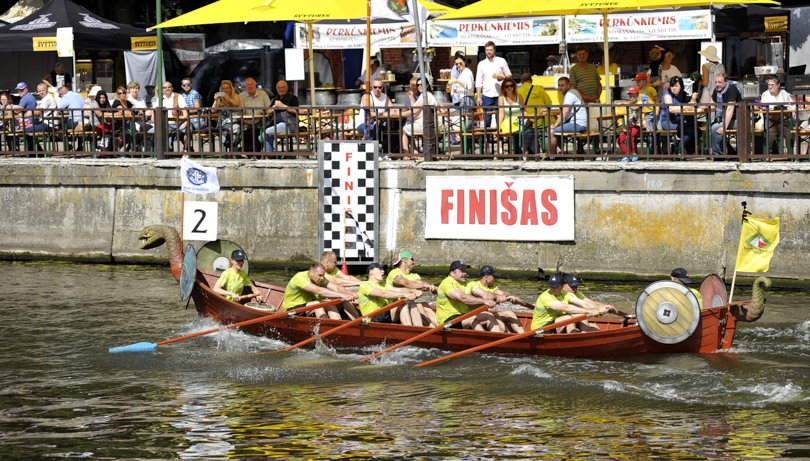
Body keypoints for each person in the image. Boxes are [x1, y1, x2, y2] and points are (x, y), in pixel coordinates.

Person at [531, 273, 609, 334]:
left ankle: (583, 335)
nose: (552, 289)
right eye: (551, 286)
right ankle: (575, 338)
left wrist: (601, 308)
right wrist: (590, 311)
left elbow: (584, 304)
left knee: (583, 317)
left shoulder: (566, 294)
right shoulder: (545, 297)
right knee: (568, 318)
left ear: (562, 286)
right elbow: (566, 308)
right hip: (540, 330)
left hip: (555, 326)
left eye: (555, 286)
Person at [436, 260, 502, 331]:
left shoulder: (469, 283)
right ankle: (483, 337)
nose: (464, 273)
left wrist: (498, 297)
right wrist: (484, 301)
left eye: (465, 271)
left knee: (489, 316)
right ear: (452, 273)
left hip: (464, 316)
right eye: (461, 271)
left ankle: (498, 337)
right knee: (472, 319)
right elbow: (463, 298)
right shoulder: (447, 283)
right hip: (447, 321)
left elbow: (485, 294)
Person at [282, 262, 360, 320]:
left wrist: (350, 294)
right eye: (320, 275)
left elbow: (335, 287)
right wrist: (342, 295)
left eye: (323, 275)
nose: (322, 278)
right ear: (311, 273)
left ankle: (354, 324)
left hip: (308, 307)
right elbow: (319, 291)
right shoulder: (300, 278)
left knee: (329, 303)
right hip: (291, 310)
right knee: (317, 304)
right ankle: (325, 327)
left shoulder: (318, 278)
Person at [386, 250, 438, 327]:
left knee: (423, 304)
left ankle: (437, 328)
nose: (414, 262)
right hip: (394, 310)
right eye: (412, 259)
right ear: (405, 260)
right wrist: (425, 286)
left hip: (408, 307)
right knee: (412, 304)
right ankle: (420, 330)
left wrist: (431, 287)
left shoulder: (414, 275)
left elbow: (421, 283)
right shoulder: (394, 273)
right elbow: (407, 283)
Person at [358, 263, 423, 324]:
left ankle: (419, 328)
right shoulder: (365, 285)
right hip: (371, 317)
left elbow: (400, 290)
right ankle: (409, 330)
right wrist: (404, 295)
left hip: (384, 314)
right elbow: (383, 294)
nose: (383, 271)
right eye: (380, 269)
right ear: (371, 272)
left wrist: (413, 291)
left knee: (411, 303)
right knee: (402, 305)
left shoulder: (384, 285)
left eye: (383, 269)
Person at [466, 265, 525, 333]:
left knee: (510, 313)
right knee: (493, 317)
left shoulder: (492, 287)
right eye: (494, 276)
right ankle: (507, 334)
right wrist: (498, 297)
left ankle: (523, 336)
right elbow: (486, 295)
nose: (495, 278)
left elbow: (503, 293)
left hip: (486, 314)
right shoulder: (474, 285)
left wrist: (512, 297)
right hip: (474, 317)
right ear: (486, 277)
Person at [475, 41, 512, 129]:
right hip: (487, 95)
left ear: (494, 50)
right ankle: (487, 137)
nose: (489, 52)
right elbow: (478, 81)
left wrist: (503, 78)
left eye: (491, 50)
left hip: (500, 94)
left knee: (500, 119)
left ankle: (499, 137)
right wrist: (479, 96)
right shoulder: (481, 64)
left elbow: (509, 75)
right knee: (487, 120)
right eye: (487, 50)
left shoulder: (501, 61)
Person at [546, 77, 586, 157]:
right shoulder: (571, 92)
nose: (560, 87)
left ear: (568, 85)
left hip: (577, 124)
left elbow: (565, 111)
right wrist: (550, 111)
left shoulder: (570, 94)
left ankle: (552, 156)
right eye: (559, 85)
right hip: (577, 123)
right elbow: (565, 110)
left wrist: (556, 124)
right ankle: (560, 153)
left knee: (551, 131)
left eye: (562, 85)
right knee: (554, 130)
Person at [518, 73, 553, 155]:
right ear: (531, 81)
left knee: (529, 131)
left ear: (521, 82)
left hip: (527, 121)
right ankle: (553, 152)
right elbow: (549, 103)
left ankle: (527, 150)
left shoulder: (518, 91)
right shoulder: (539, 89)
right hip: (542, 121)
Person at [569, 45, 602, 132]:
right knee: (584, 127)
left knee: (596, 126)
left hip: (595, 102)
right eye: (579, 54)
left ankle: (597, 141)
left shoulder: (592, 67)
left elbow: (599, 84)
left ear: (587, 55)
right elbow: (573, 87)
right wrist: (585, 97)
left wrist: (597, 95)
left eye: (583, 54)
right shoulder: (573, 69)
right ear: (576, 56)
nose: (581, 56)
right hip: (582, 103)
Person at [659, 76, 695, 155]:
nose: (674, 88)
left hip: (679, 120)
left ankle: (682, 148)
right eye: (672, 86)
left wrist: (693, 100)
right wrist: (687, 106)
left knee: (695, 128)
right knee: (690, 129)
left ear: (681, 87)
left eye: (676, 86)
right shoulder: (667, 95)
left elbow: (693, 105)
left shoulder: (683, 95)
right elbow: (671, 109)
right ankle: (680, 150)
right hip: (667, 121)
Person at [759, 75, 794, 155]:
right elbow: (763, 108)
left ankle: (790, 155)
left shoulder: (784, 93)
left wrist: (790, 108)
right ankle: (766, 154)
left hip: (782, 120)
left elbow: (792, 104)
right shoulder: (765, 94)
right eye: (768, 85)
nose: (770, 87)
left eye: (772, 85)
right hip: (770, 120)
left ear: (778, 85)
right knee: (772, 133)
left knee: (789, 133)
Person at [401, 79, 437, 156]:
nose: (420, 86)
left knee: (404, 130)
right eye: (418, 85)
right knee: (407, 128)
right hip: (426, 123)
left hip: (425, 124)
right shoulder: (424, 95)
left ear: (427, 85)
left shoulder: (425, 96)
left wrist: (401, 114)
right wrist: (411, 97)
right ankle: (414, 152)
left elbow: (415, 111)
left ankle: (407, 153)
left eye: (422, 84)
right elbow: (415, 108)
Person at [710, 72, 742, 158]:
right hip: (726, 119)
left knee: (714, 128)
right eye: (716, 82)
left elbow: (730, 109)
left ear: (726, 81)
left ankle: (718, 156)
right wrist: (705, 106)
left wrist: (724, 127)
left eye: (720, 82)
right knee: (713, 126)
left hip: (739, 120)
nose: (717, 84)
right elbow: (712, 104)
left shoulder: (732, 88)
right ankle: (729, 152)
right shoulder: (717, 90)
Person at [149, 81, 188, 150]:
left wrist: (181, 119)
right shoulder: (160, 99)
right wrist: (154, 119)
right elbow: (154, 112)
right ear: (162, 89)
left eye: (169, 87)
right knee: (149, 132)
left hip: (175, 124)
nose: (167, 88)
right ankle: (161, 150)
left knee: (163, 131)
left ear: (172, 88)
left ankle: (165, 150)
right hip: (163, 124)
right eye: (165, 87)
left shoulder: (178, 97)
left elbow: (185, 114)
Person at [263, 80, 299, 153]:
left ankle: (270, 155)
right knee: (261, 136)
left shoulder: (292, 98)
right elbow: (268, 111)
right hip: (275, 124)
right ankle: (272, 153)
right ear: (276, 89)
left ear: (287, 88)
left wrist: (283, 106)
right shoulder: (275, 98)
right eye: (279, 88)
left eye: (283, 87)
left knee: (266, 132)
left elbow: (296, 111)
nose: (281, 89)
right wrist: (272, 109)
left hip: (288, 124)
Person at [447, 55, 475, 145]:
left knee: (465, 122)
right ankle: (466, 145)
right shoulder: (462, 73)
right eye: (456, 64)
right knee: (463, 122)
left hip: (467, 98)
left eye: (460, 63)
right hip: (462, 98)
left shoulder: (467, 72)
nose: (458, 65)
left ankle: (468, 145)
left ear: (465, 62)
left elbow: (468, 86)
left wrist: (456, 81)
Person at [497, 76, 523, 154]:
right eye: (507, 86)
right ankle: (501, 150)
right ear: (503, 88)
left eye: (511, 86)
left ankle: (522, 151)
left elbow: (524, 110)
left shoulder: (519, 96)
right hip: (508, 120)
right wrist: (498, 126)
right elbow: (501, 113)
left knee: (526, 130)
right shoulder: (501, 97)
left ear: (514, 86)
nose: (509, 88)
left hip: (519, 120)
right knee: (503, 128)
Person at [212, 79, 241, 150]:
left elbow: (237, 103)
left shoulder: (235, 96)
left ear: (230, 89)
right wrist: (216, 100)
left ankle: (233, 147)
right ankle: (231, 148)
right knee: (226, 131)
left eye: (227, 88)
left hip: (235, 120)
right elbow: (213, 110)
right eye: (223, 88)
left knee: (241, 130)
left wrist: (228, 98)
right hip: (224, 122)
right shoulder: (220, 98)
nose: (225, 90)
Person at [616, 87, 640, 161]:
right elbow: (627, 117)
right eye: (630, 96)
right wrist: (625, 126)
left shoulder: (639, 103)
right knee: (619, 139)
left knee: (630, 135)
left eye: (633, 96)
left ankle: (633, 153)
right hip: (628, 126)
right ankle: (627, 154)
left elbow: (635, 108)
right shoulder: (629, 104)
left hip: (636, 125)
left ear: (637, 95)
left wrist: (624, 104)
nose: (632, 98)